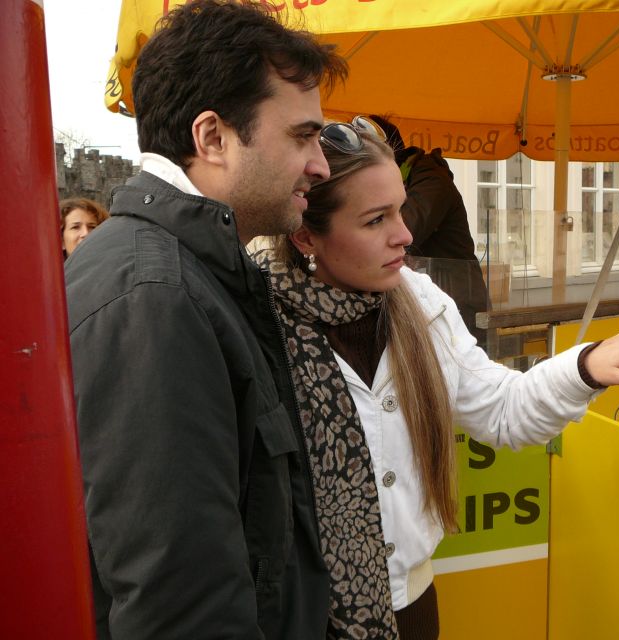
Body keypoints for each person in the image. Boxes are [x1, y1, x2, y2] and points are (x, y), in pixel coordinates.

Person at [250, 121, 619, 639]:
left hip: (410, 606)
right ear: (305, 236)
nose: (405, 234)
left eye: (399, 207)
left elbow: (502, 409)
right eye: (375, 220)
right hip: (292, 615)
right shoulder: (255, 323)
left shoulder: (422, 304)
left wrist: (584, 367)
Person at [64, 2, 347, 638]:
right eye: (302, 136)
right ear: (212, 138)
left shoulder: (188, 273)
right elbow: (179, 607)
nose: (321, 165)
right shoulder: (154, 297)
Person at [369, 114, 490, 343]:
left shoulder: (432, 178)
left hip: (456, 304)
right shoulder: (408, 179)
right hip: (430, 298)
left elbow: (407, 228)